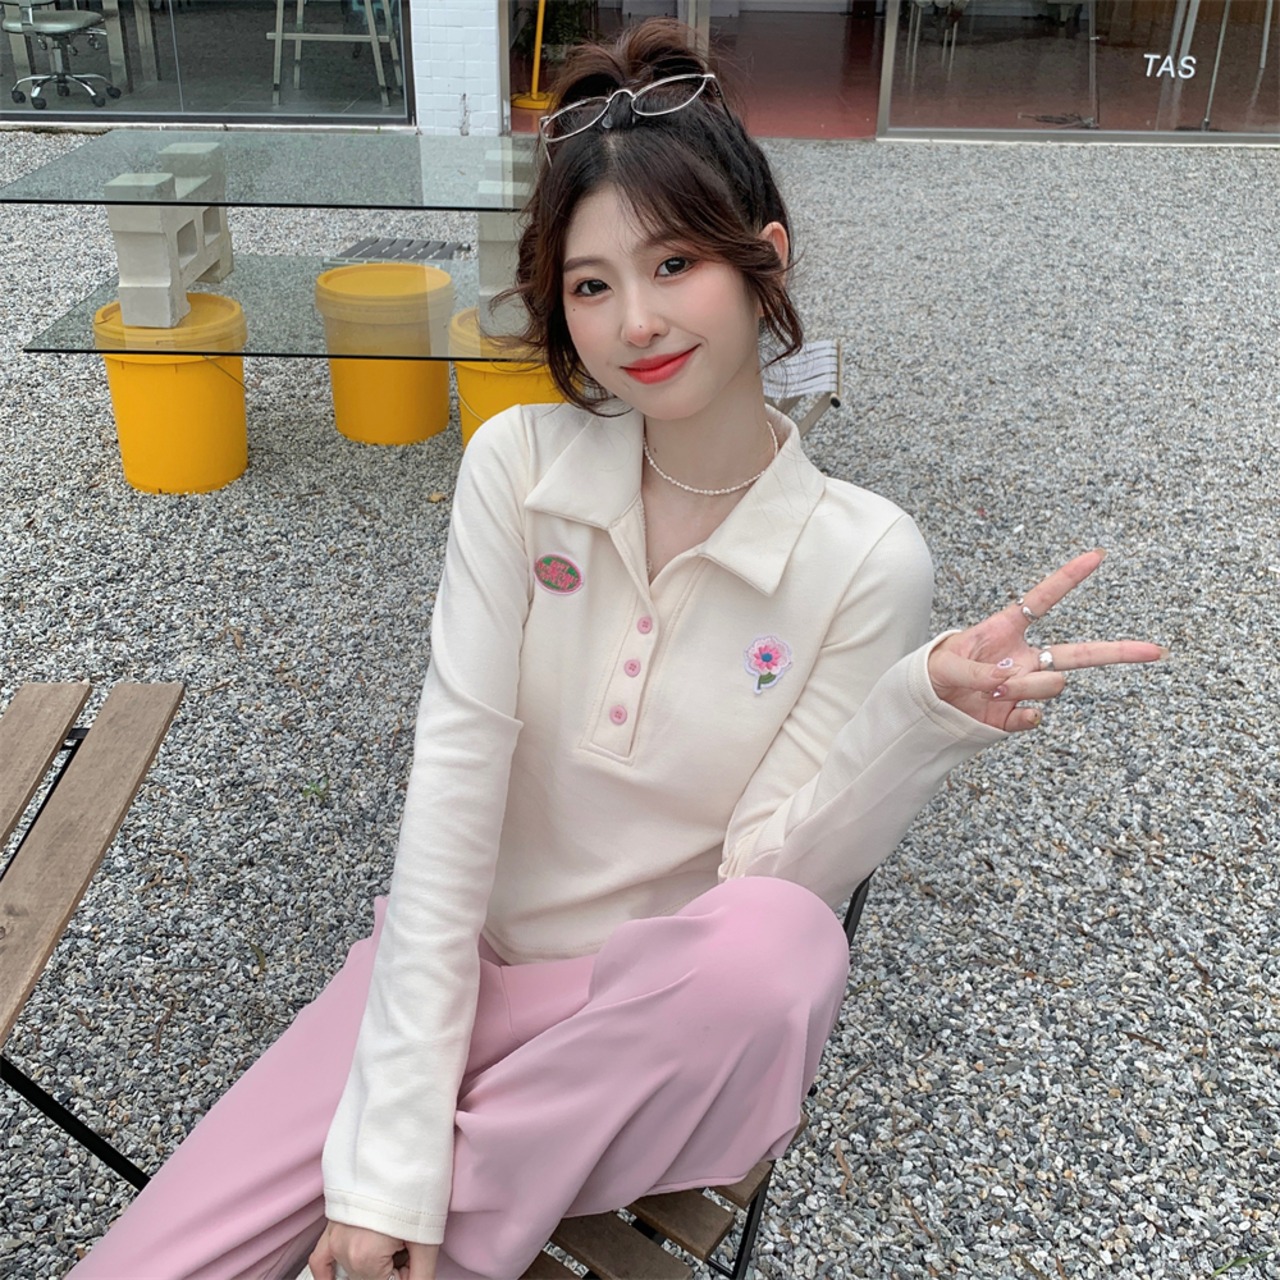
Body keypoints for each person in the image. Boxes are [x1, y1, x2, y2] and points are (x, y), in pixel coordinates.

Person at [68, 19, 1166, 1280]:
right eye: (590, 285)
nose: (634, 320)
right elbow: (454, 783)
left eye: (673, 262)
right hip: (453, 972)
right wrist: (392, 1143)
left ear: (763, 259)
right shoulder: (519, 467)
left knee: (783, 943)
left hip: (638, 1033)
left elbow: (767, 879)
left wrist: (919, 714)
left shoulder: (865, 554)